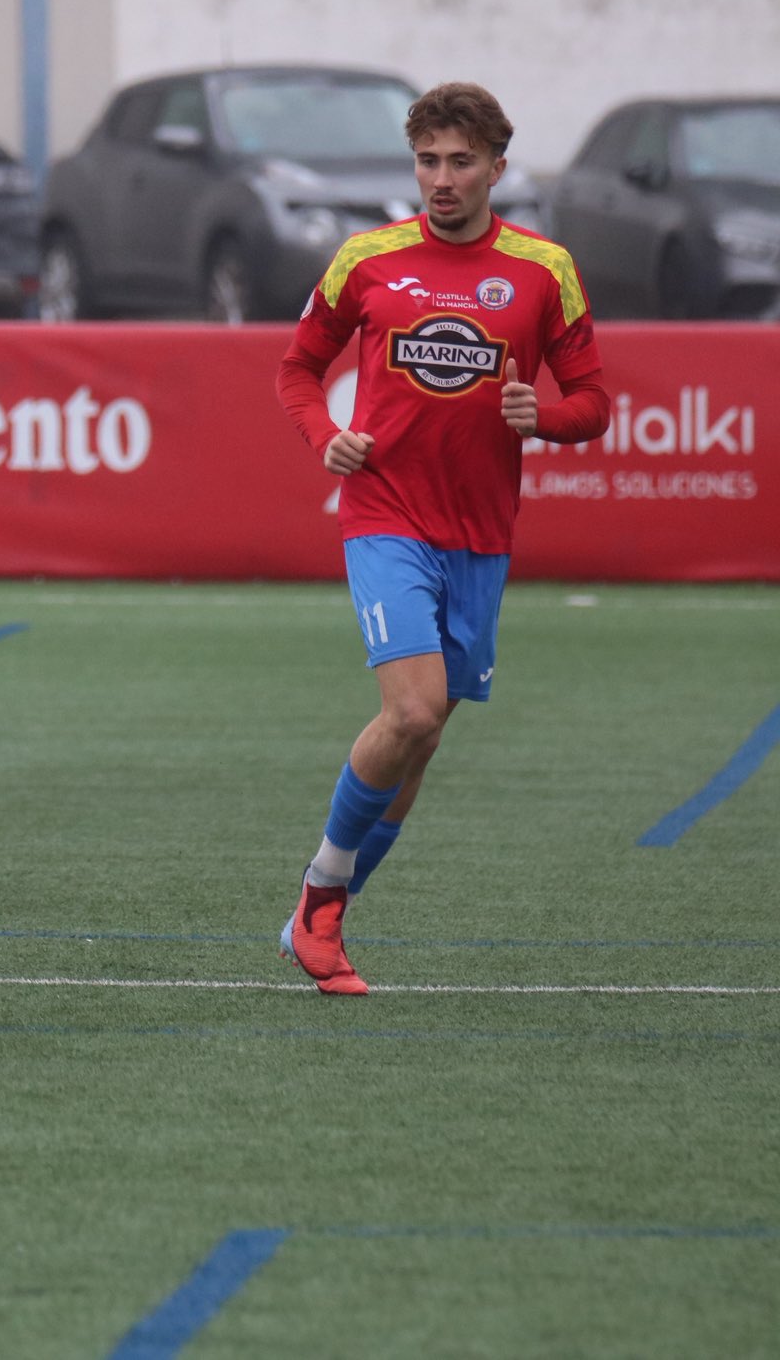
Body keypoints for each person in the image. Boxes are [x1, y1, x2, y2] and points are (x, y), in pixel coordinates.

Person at [274, 83, 610, 994]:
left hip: (481, 538)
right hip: (385, 515)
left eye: (461, 162)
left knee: (420, 743)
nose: (441, 180)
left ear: (498, 168)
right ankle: (319, 897)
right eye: (428, 161)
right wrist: (324, 438)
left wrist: (543, 414)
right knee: (412, 711)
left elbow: (593, 405)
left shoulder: (545, 270)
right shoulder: (367, 259)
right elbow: (299, 369)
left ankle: (322, 918)